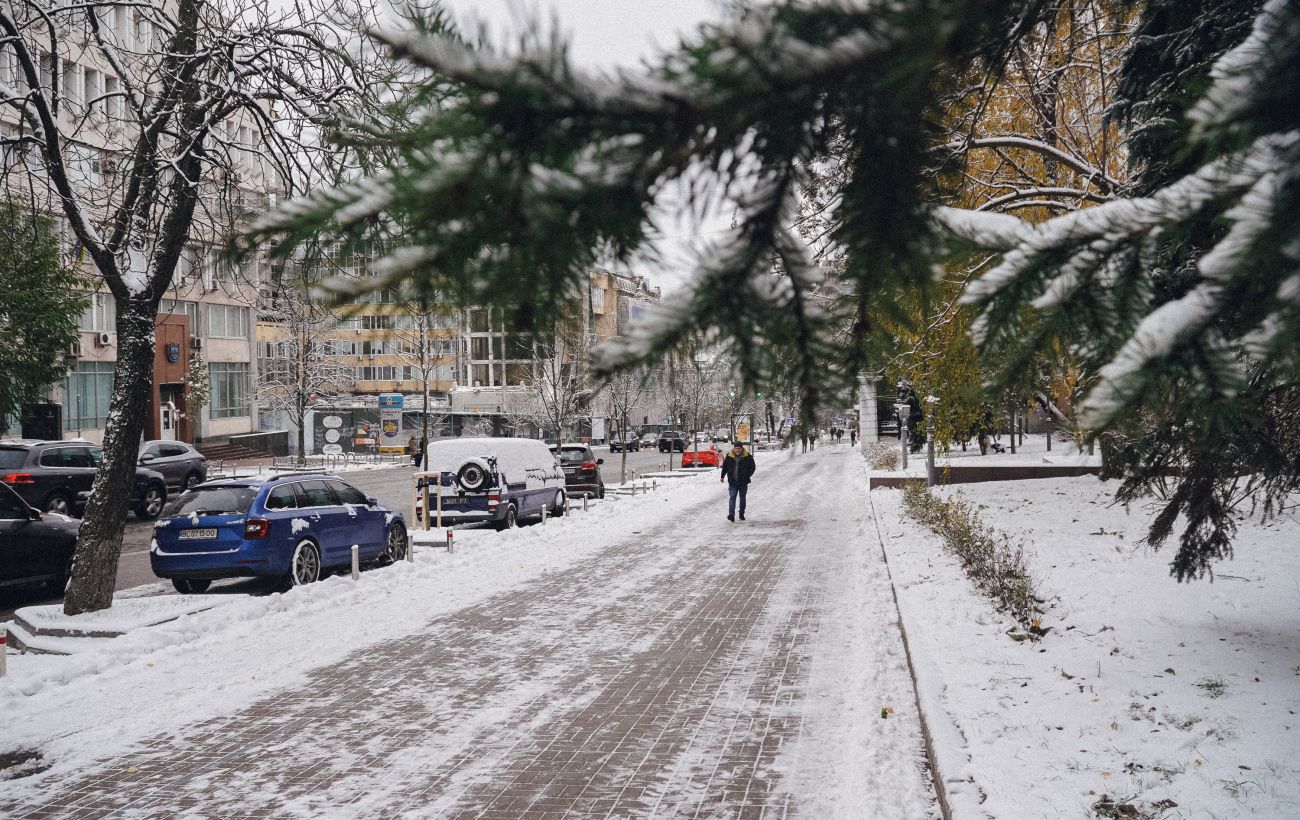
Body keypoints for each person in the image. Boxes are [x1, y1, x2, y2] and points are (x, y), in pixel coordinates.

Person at [720, 441, 756, 522]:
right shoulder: (729, 456)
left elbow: (752, 467)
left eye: (739, 448)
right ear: (734, 448)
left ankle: (741, 513)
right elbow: (725, 467)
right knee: (732, 497)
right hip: (732, 481)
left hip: (743, 482)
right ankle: (731, 514)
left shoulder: (748, 456)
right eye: (736, 448)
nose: (737, 450)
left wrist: (747, 475)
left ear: (742, 448)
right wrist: (722, 476)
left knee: (742, 498)